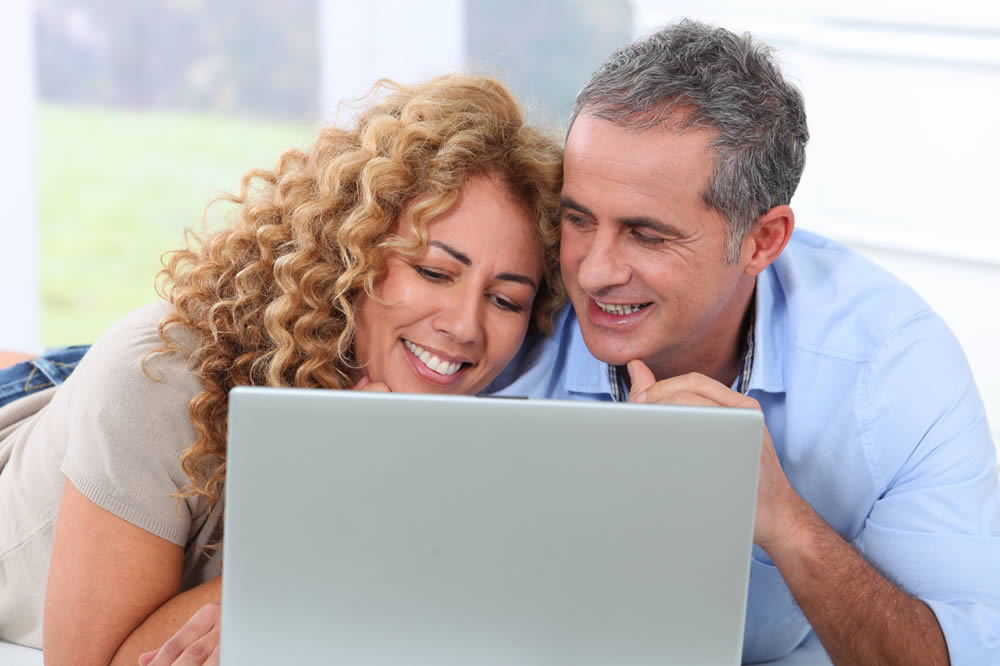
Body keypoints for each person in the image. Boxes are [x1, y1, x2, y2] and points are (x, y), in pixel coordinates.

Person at [0, 74, 565, 665]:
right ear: (352, 250)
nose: (467, 326)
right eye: (434, 272)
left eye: (506, 300)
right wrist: (344, 524)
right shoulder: (157, 378)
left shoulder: (476, 396)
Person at [485, 18, 1000, 665]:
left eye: (647, 235)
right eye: (578, 219)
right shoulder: (507, 300)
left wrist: (784, 522)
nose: (592, 271)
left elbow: (965, 654)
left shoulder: (893, 367)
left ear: (762, 241)